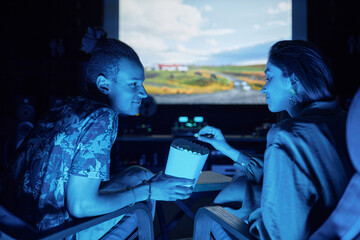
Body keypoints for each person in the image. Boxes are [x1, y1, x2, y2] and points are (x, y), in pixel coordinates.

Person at [2, 27, 194, 239]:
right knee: (144, 198)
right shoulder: (104, 117)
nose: (143, 93)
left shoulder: (67, 105)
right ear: (104, 84)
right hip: (53, 234)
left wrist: (146, 185)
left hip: (16, 225)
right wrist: (149, 191)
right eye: (133, 84)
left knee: (140, 174)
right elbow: (81, 206)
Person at [195, 40, 354, 239]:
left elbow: (281, 234)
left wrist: (252, 209)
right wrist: (225, 149)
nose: (263, 89)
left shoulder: (287, 136)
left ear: (292, 80)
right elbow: (291, 175)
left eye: (269, 77)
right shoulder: (347, 122)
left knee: (219, 206)